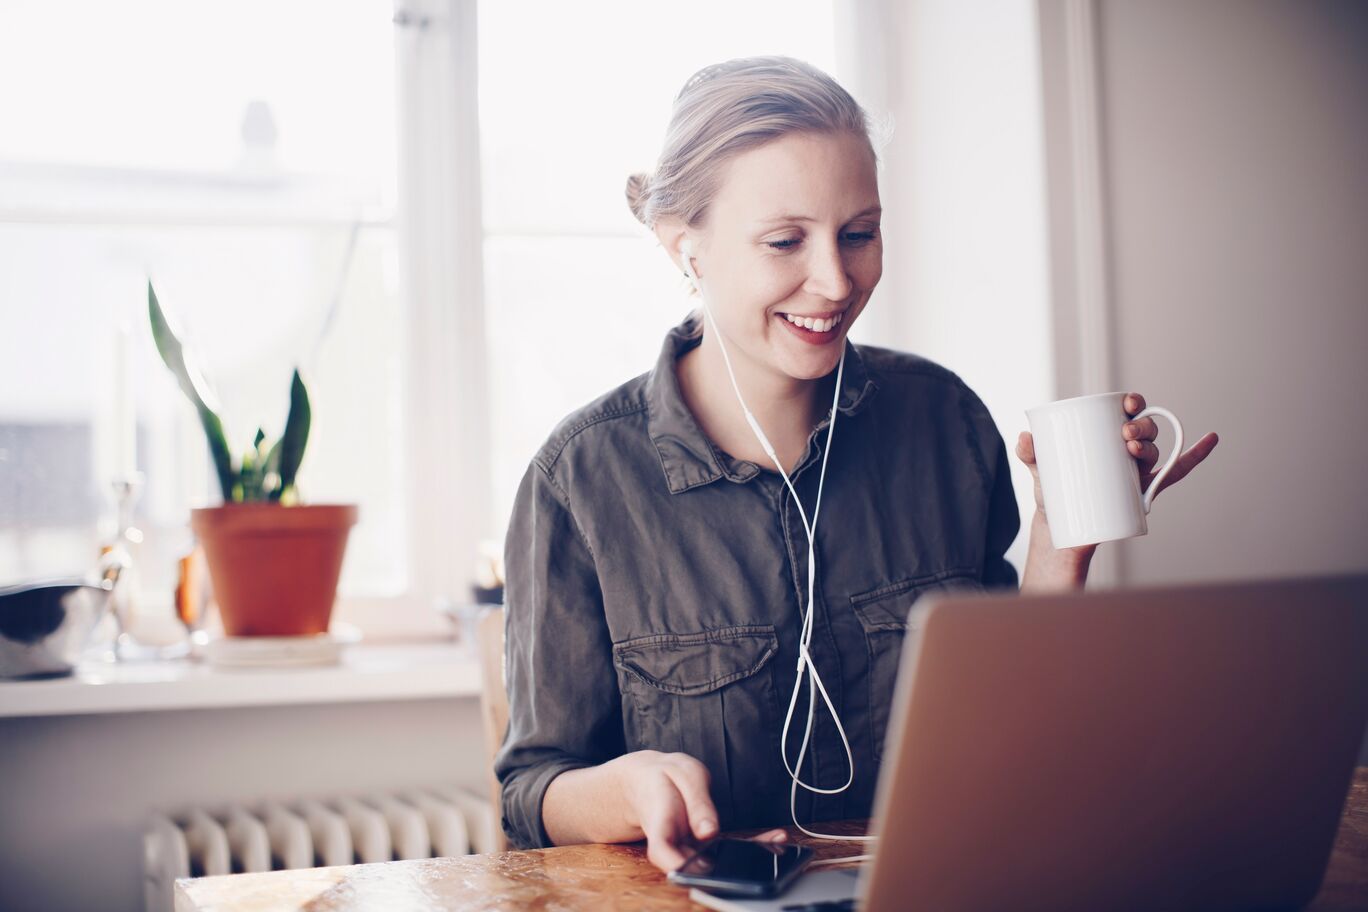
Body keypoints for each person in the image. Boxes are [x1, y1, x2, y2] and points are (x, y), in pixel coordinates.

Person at [493, 56, 1219, 872]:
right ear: (683, 245)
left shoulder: (944, 421)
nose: (836, 281)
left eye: (860, 233)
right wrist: (631, 788)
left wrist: (1063, 533)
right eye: (783, 241)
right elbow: (531, 793)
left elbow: (1011, 729)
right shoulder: (580, 481)